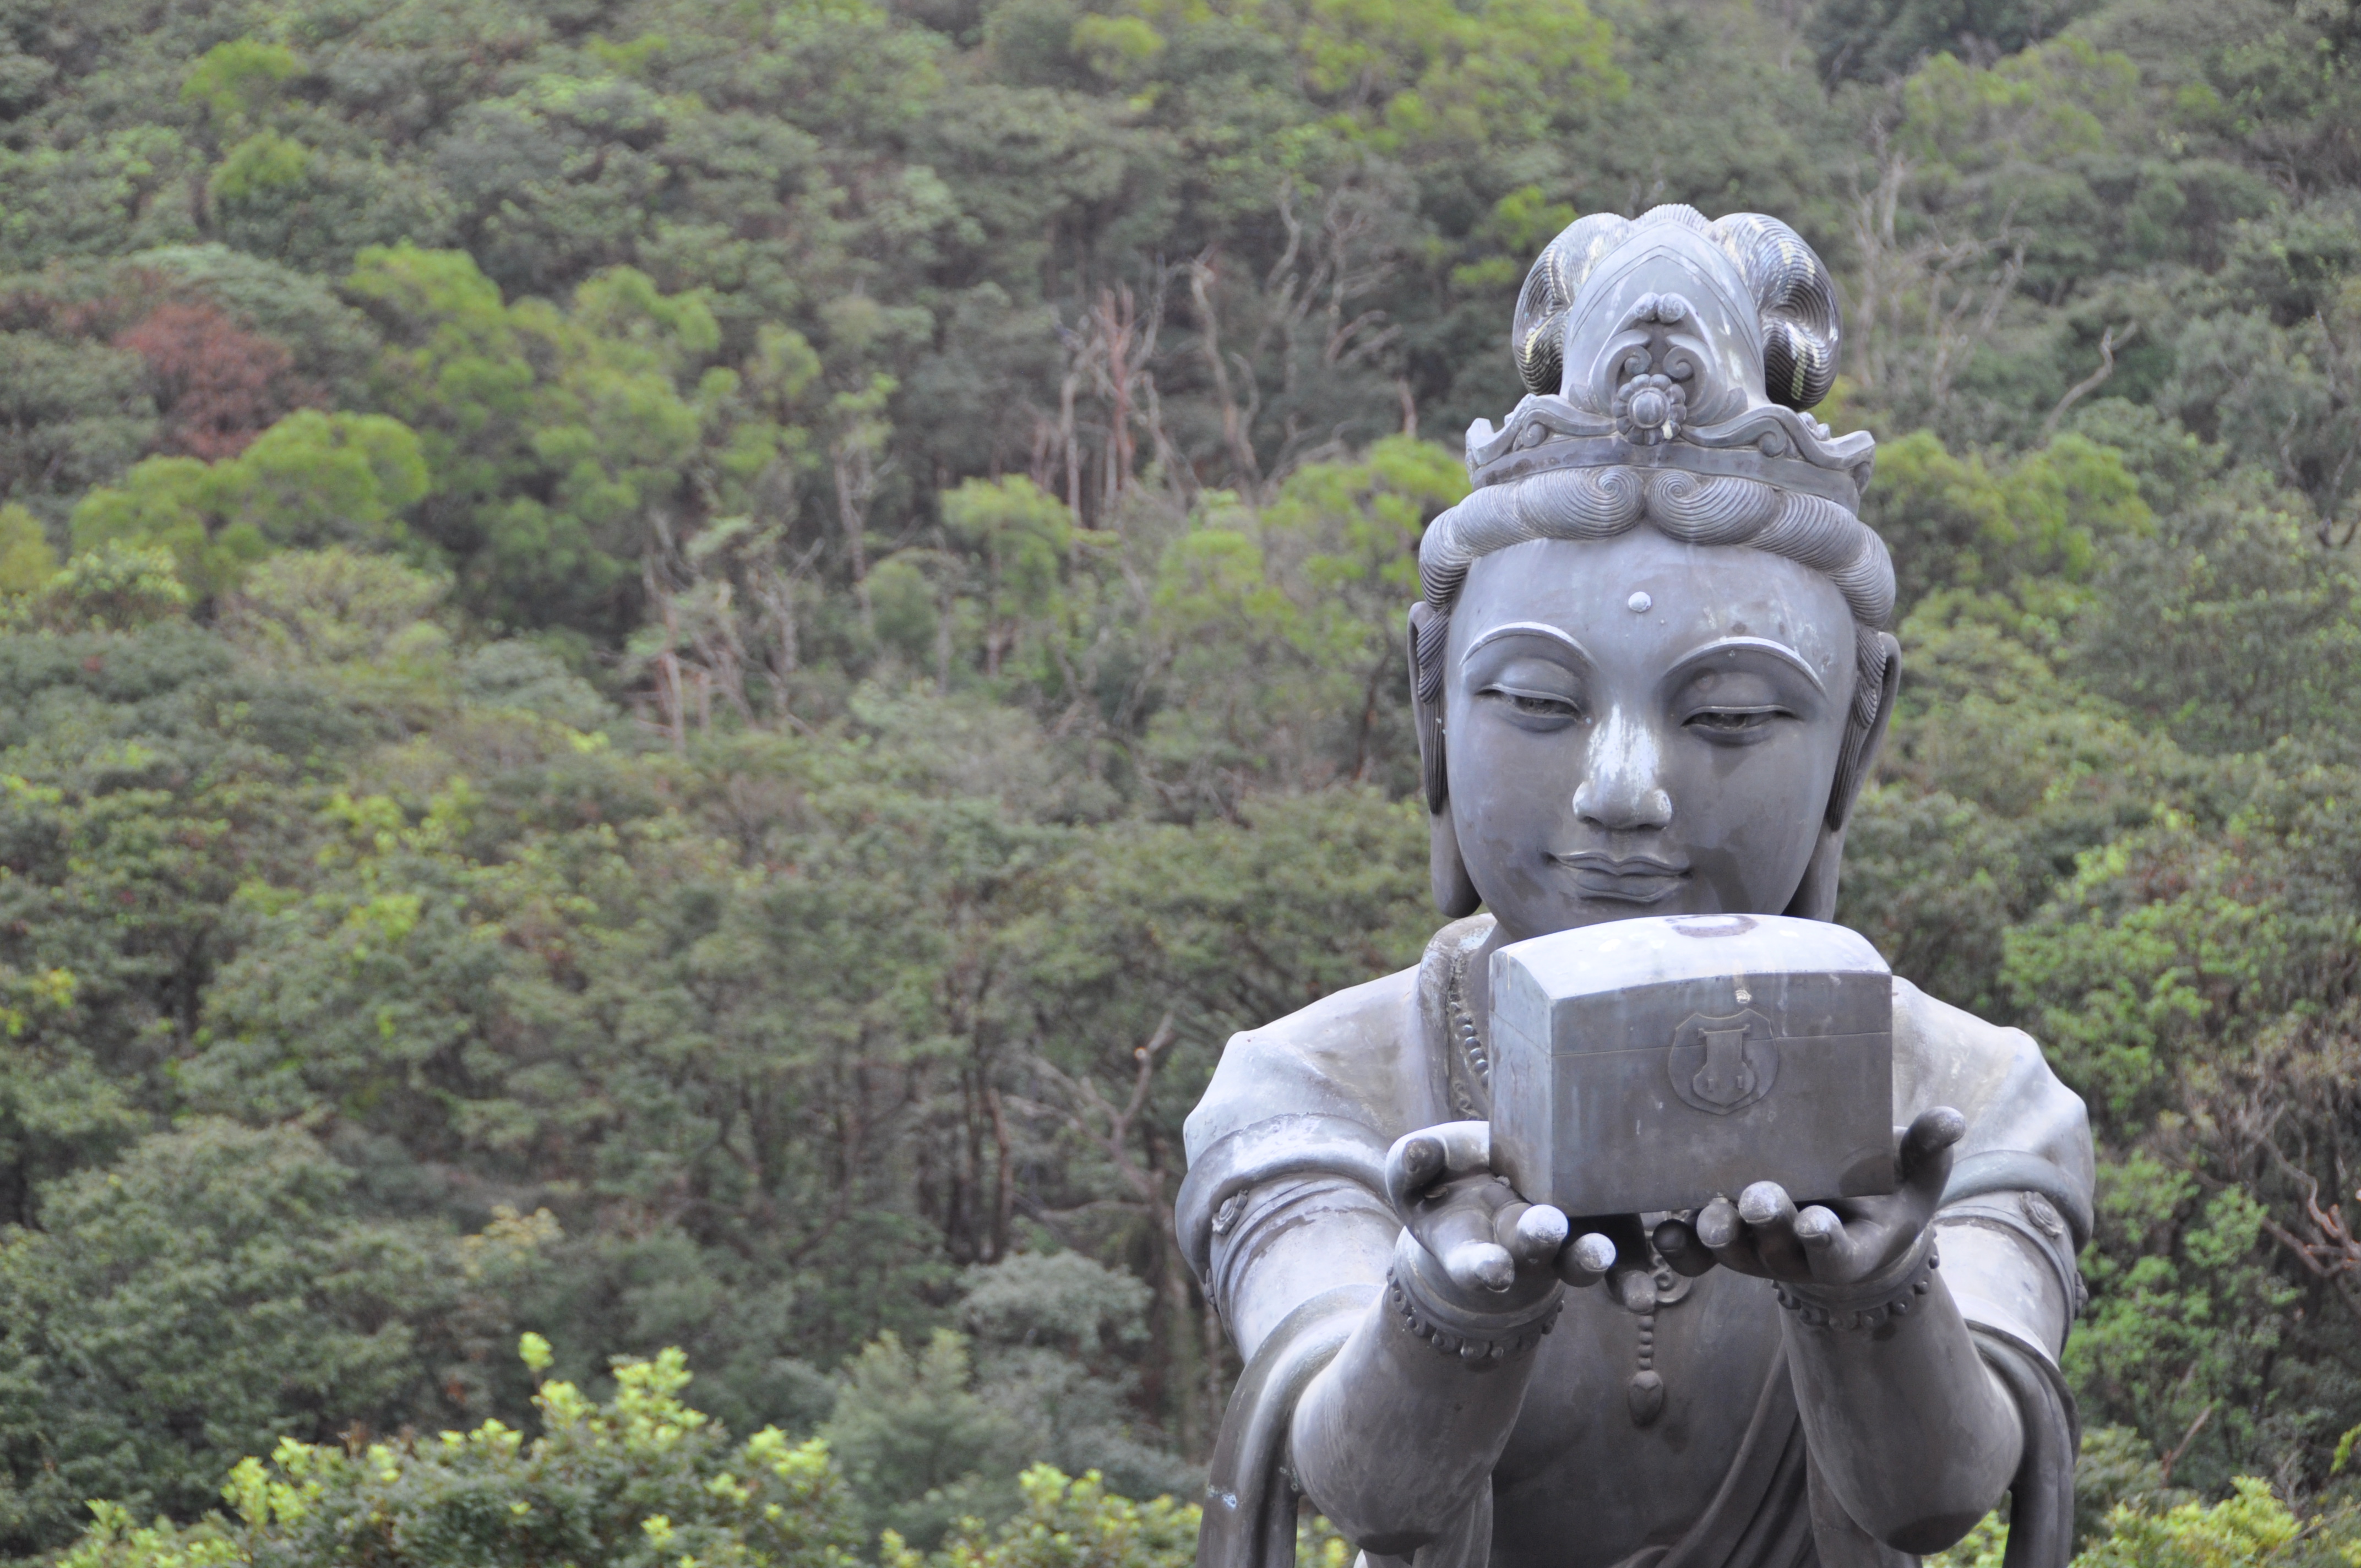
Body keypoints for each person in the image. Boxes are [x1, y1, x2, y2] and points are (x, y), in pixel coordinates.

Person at [1175, 206, 2093, 1568]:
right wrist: (1445, 1308)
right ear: (1433, 702)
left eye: (1725, 718)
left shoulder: (1968, 1096)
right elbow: (1354, 1474)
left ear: (1856, 733)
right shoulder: (1315, 1084)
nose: (1618, 785)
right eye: (1538, 700)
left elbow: (1937, 1493)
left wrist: (1881, 1291)